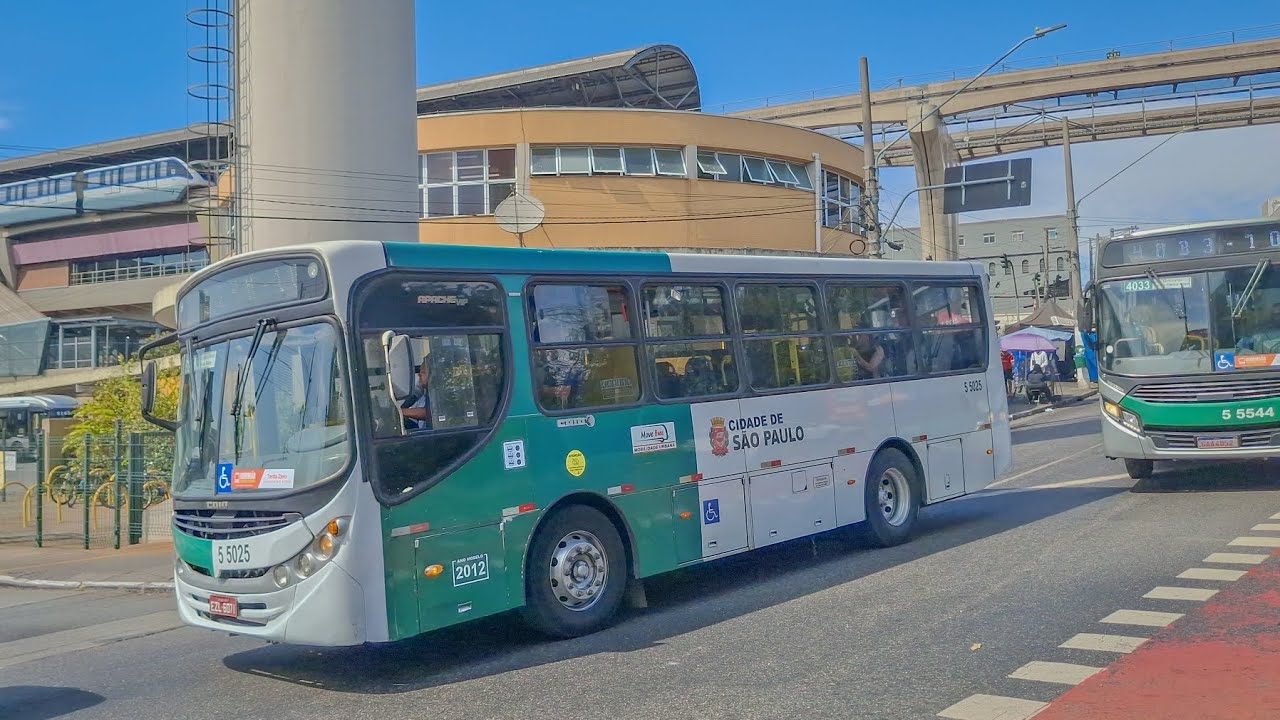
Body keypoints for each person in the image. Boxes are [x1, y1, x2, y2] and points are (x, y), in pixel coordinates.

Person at [398, 356, 432, 430]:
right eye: (419, 371)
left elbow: (428, 413)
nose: (419, 374)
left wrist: (399, 411)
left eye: (423, 372)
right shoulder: (423, 397)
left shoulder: (438, 395)